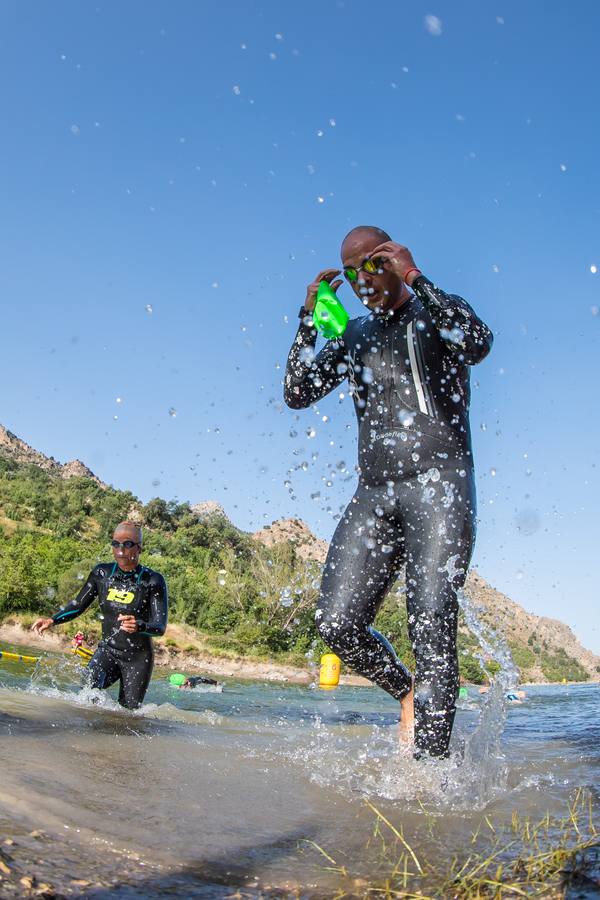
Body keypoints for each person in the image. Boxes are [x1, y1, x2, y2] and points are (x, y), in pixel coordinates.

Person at [284, 226, 493, 758]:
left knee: (431, 624)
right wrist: (308, 319)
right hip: (374, 493)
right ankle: (406, 692)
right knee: (336, 622)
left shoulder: (434, 310)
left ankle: (429, 781)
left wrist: (415, 275)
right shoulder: (352, 335)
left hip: (440, 485)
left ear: (393, 259)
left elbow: (476, 341)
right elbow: (296, 393)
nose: (361, 280)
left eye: (372, 265)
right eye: (350, 273)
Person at [32, 522, 168, 709]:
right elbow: (78, 605)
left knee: (128, 716)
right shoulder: (101, 573)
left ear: (139, 548)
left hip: (138, 659)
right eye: (115, 544)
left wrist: (140, 625)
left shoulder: (153, 580)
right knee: (86, 694)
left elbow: (160, 626)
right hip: (108, 651)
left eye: (127, 544)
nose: (120, 550)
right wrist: (52, 619)